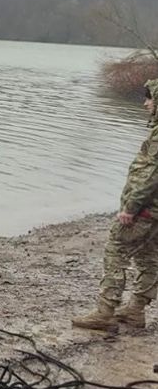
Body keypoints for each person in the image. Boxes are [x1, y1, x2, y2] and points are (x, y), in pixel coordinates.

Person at [72, 79, 158, 331]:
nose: (145, 103)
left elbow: (151, 175)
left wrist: (130, 208)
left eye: (150, 98)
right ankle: (134, 310)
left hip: (145, 210)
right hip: (155, 213)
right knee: (149, 257)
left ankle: (105, 311)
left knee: (116, 249)